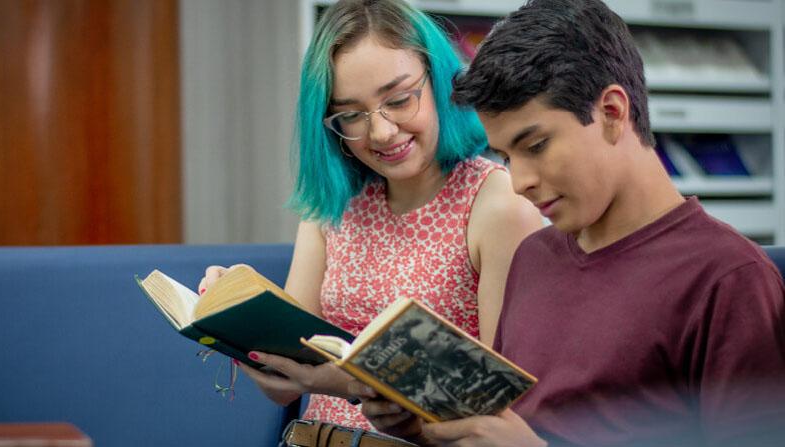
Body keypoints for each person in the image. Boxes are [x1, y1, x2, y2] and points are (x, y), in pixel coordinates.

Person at [358, 0, 785, 445]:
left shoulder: (729, 279)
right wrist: (422, 428)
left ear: (613, 113)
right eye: (504, 156)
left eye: (536, 145)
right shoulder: (533, 257)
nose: (518, 182)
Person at [198, 0, 541, 430]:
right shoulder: (335, 205)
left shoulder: (498, 204)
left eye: (398, 100)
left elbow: (498, 409)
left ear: (440, 82)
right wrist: (243, 321)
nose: (381, 131)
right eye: (351, 115)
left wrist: (347, 383)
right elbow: (285, 388)